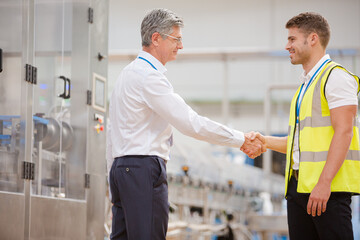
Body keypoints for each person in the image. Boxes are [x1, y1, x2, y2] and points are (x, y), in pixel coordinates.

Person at [106, 8, 265, 240]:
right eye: (176, 39)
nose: (180, 46)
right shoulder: (149, 77)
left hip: (122, 169)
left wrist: (114, 179)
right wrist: (240, 139)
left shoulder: (126, 75)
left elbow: (112, 133)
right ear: (156, 38)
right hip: (143, 169)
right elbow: (192, 124)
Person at [247, 12, 360, 240]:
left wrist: (324, 183)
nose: (287, 45)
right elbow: (300, 144)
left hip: (327, 191)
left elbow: (344, 131)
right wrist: (264, 141)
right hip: (299, 190)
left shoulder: (335, 78)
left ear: (313, 39)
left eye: (292, 39)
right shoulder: (304, 87)